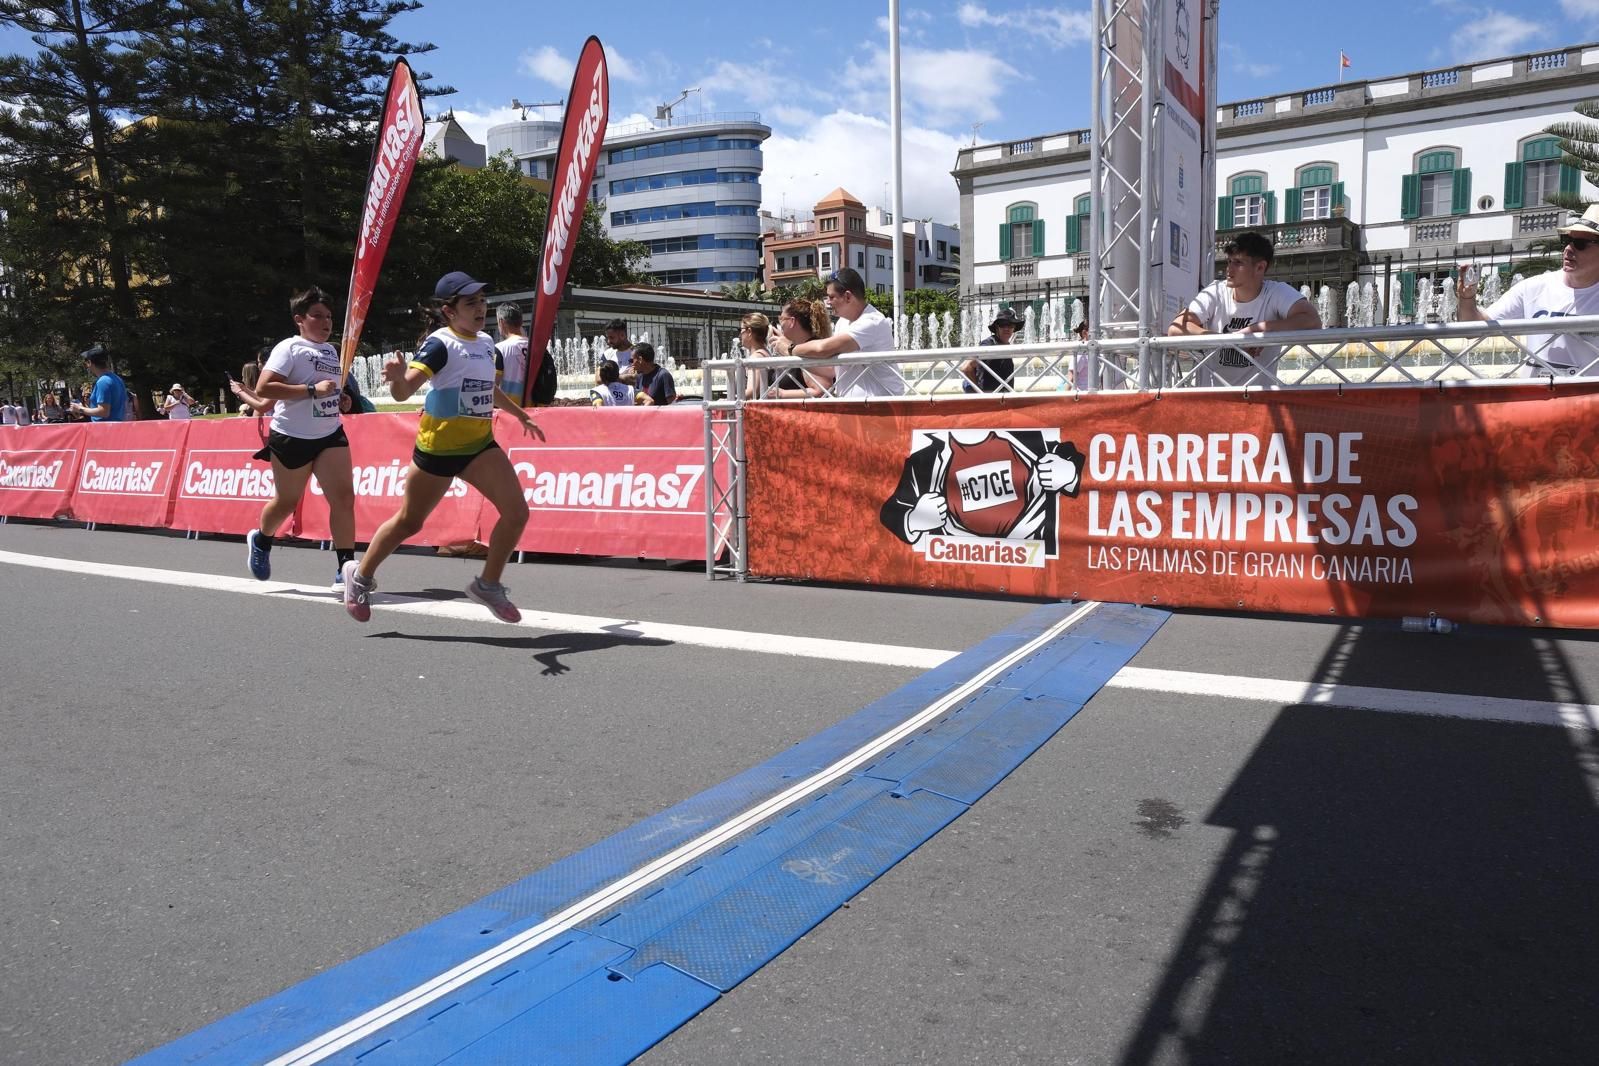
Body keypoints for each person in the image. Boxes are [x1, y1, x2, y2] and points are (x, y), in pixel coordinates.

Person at [342, 271, 543, 624]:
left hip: (479, 445)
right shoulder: (440, 344)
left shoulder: (487, 344)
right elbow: (404, 392)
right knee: (409, 522)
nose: (480, 308)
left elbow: (488, 389)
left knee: (517, 513)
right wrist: (397, 378)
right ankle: (359, 576)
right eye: (471, 303)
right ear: (450, 311)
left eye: (482, 301)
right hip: (437, 450)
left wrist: (520, 415)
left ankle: (488, 584)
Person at [227, 286, 358, 591]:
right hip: (291, 436)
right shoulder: (289, 347)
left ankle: (345, 568)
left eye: (329, 317)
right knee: (287, 502)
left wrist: (340, 400)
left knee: (343, 499)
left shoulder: (331, 351)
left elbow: (327, 389)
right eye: (317, 316)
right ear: (300, 319)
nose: (326, 323)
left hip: (330, 433)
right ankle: (261, 539)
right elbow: (265, 388)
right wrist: (311, 391)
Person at [1456, 204, 1599, 377]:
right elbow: (1473, 329)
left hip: (1587, 393)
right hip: (1536, 391)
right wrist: (1466, 299)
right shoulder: (1532, 288)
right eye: (1566, 241)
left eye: (1580, 244)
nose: (1568, 249)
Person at [1168, 232, 1320, 386]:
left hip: (1258, 397)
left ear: (1260, 267)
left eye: (1238, 262)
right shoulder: (1216, 291)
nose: (1229, 269)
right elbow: (1176, 328)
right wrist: (1229, 341)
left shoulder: (1276, 292)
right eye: (1229, 261)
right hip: (1214, 396)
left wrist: (1259, 329)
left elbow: (1313, 321)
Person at [792, 267, 906, 397]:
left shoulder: (872, 321)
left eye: (831, 297)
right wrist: (794, 356)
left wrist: (791, 349)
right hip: (853, 404)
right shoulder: (842, 322)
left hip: (882, 404)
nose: (827, 302)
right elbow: (832, 370)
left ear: (847, 296)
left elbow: (823, 349)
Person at [766, 299, 835, 399]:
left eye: (781, 318)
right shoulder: (801, 347)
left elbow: (822, 390)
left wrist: (782, 394)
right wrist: (787, 345)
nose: (780, 323)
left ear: (792, 321)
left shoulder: (811, 349)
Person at [961, 307, 1021, 393]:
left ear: (1014, 328)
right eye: (1003, 325)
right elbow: (966, 367)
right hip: (990, 397)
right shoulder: (989, 345)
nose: (1007, 328)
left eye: (1010, 325)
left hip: (1002, 396)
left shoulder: (1005, 345)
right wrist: (979, 392)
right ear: (997, 327)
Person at [69, 346, 128, 422]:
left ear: (90, 363)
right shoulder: (117, 379)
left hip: (104, 427)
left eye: (86, 362)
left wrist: (80, 409)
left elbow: (104, 412)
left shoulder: (103, 382)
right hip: (118, 425)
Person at [494, 302, 529, 403]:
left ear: (501, 322)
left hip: (511, 409)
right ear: (521, 321)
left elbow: (492, 386)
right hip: (536, 408)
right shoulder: (536, 346)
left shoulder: (500, 349)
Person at [738, 312, 774, 399]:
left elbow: (752, 391)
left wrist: (730, 399)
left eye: (740, 330)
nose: (739, 335)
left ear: (749, 332)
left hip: (756, 406)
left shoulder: (756, 358)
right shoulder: (765, 353)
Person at [604, 318, 636, 383]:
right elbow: (599, 379)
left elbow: (637, 378)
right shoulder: (606, 354)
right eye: (608, 337)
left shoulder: (637, 353)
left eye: (611, 337)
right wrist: (625, 377)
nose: (608, 341)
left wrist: (610, 378)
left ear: (622, 335)